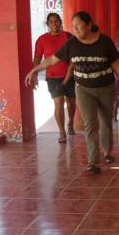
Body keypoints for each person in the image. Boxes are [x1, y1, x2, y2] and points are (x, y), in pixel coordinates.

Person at [25, 11, 119, 174]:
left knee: (105, 120)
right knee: (90, 124)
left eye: (78, 25)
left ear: (89, 25)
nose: (75, 29)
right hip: (83, 89)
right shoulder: (72, 44)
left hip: (106, 87)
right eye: (73, 26)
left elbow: (115, 64)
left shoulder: (104, 42)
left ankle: (107, 151)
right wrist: (35, 69)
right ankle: (93, 161)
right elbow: (52, 60)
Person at [32, 13, 77, 143]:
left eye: (56, 21)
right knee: (58, 102)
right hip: (53, 77)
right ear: (47, 25)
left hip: (70, 75)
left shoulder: (69, 37)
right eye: (51, 22)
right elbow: (37, 58)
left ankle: (70, 123)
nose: (54, 24)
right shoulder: (41, 39)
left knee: (71, 103)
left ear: (60, 22)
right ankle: (62, 131)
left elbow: (74, 55)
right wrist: (34, 74)